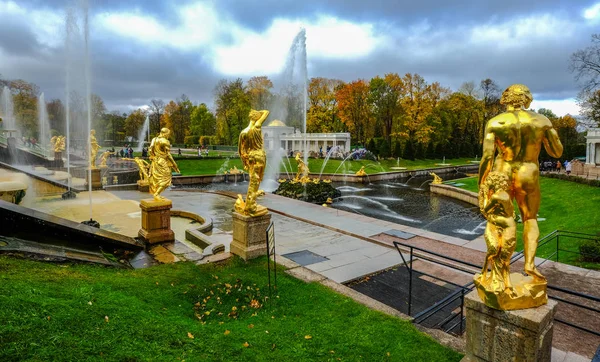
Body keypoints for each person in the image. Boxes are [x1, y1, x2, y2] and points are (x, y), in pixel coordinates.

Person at [479, 84, 563, 282]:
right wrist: (544, 133)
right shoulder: (541, 120)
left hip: (502, 172)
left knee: (499, 222)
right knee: (529, 219)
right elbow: (557, 152)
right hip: (528, 172)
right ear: (526, 99)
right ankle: (530, 264)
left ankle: (500, 273)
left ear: (506, 99)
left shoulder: (495, 122)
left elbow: (487, 158)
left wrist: (482, 185)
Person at [477, 171, 516, 294]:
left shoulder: (496, 197)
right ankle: (493, 278)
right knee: (496, 252)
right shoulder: (505, 194)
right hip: (504, 225)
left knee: (501, 254)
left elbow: (485, 209)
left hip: (503, 226)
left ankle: (502, 282)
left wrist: (483, 193)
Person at [235, 109, 269, 216]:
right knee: (256, 180)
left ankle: (251, 200)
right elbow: (267, 112)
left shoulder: (243, 132)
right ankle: (250, 206)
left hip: (252, 157)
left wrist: (244, 162)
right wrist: (260, 112)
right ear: (256, 117)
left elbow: (241, 151)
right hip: (260, 156)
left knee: (253, 179)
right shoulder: (257, 126)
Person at [148, 128, 180, 200]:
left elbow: (150, 150)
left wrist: (152, 157)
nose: (168, 136)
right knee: (167, 177)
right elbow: (168, 155)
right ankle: (156, 194)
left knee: (158, 177)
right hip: (162, 161)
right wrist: (175, 165)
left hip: (155, 161)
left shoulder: (154, 139)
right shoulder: (165, 141)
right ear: (164, 133)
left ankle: (157, 193)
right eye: (168, 134)